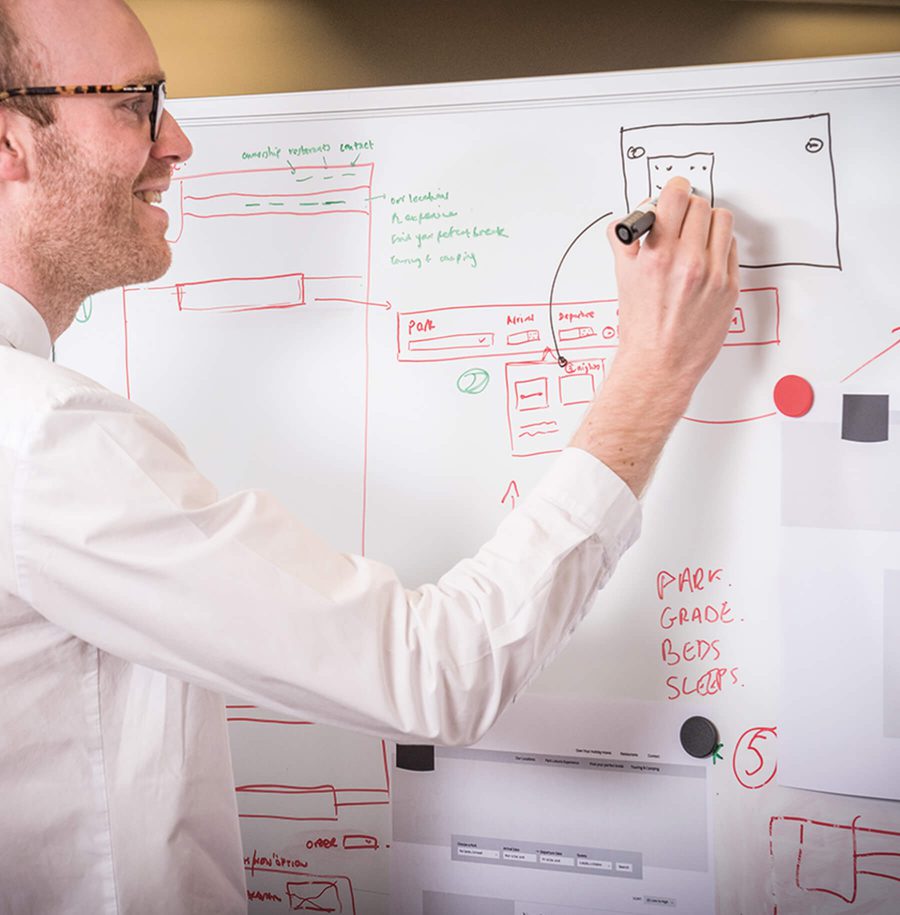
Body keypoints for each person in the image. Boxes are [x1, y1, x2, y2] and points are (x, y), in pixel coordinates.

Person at [0, 0, 739, 911]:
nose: (177, 141)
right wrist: (654, 371)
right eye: (134, 102)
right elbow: (436, 670)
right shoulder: (39, 438)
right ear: (9, 142)